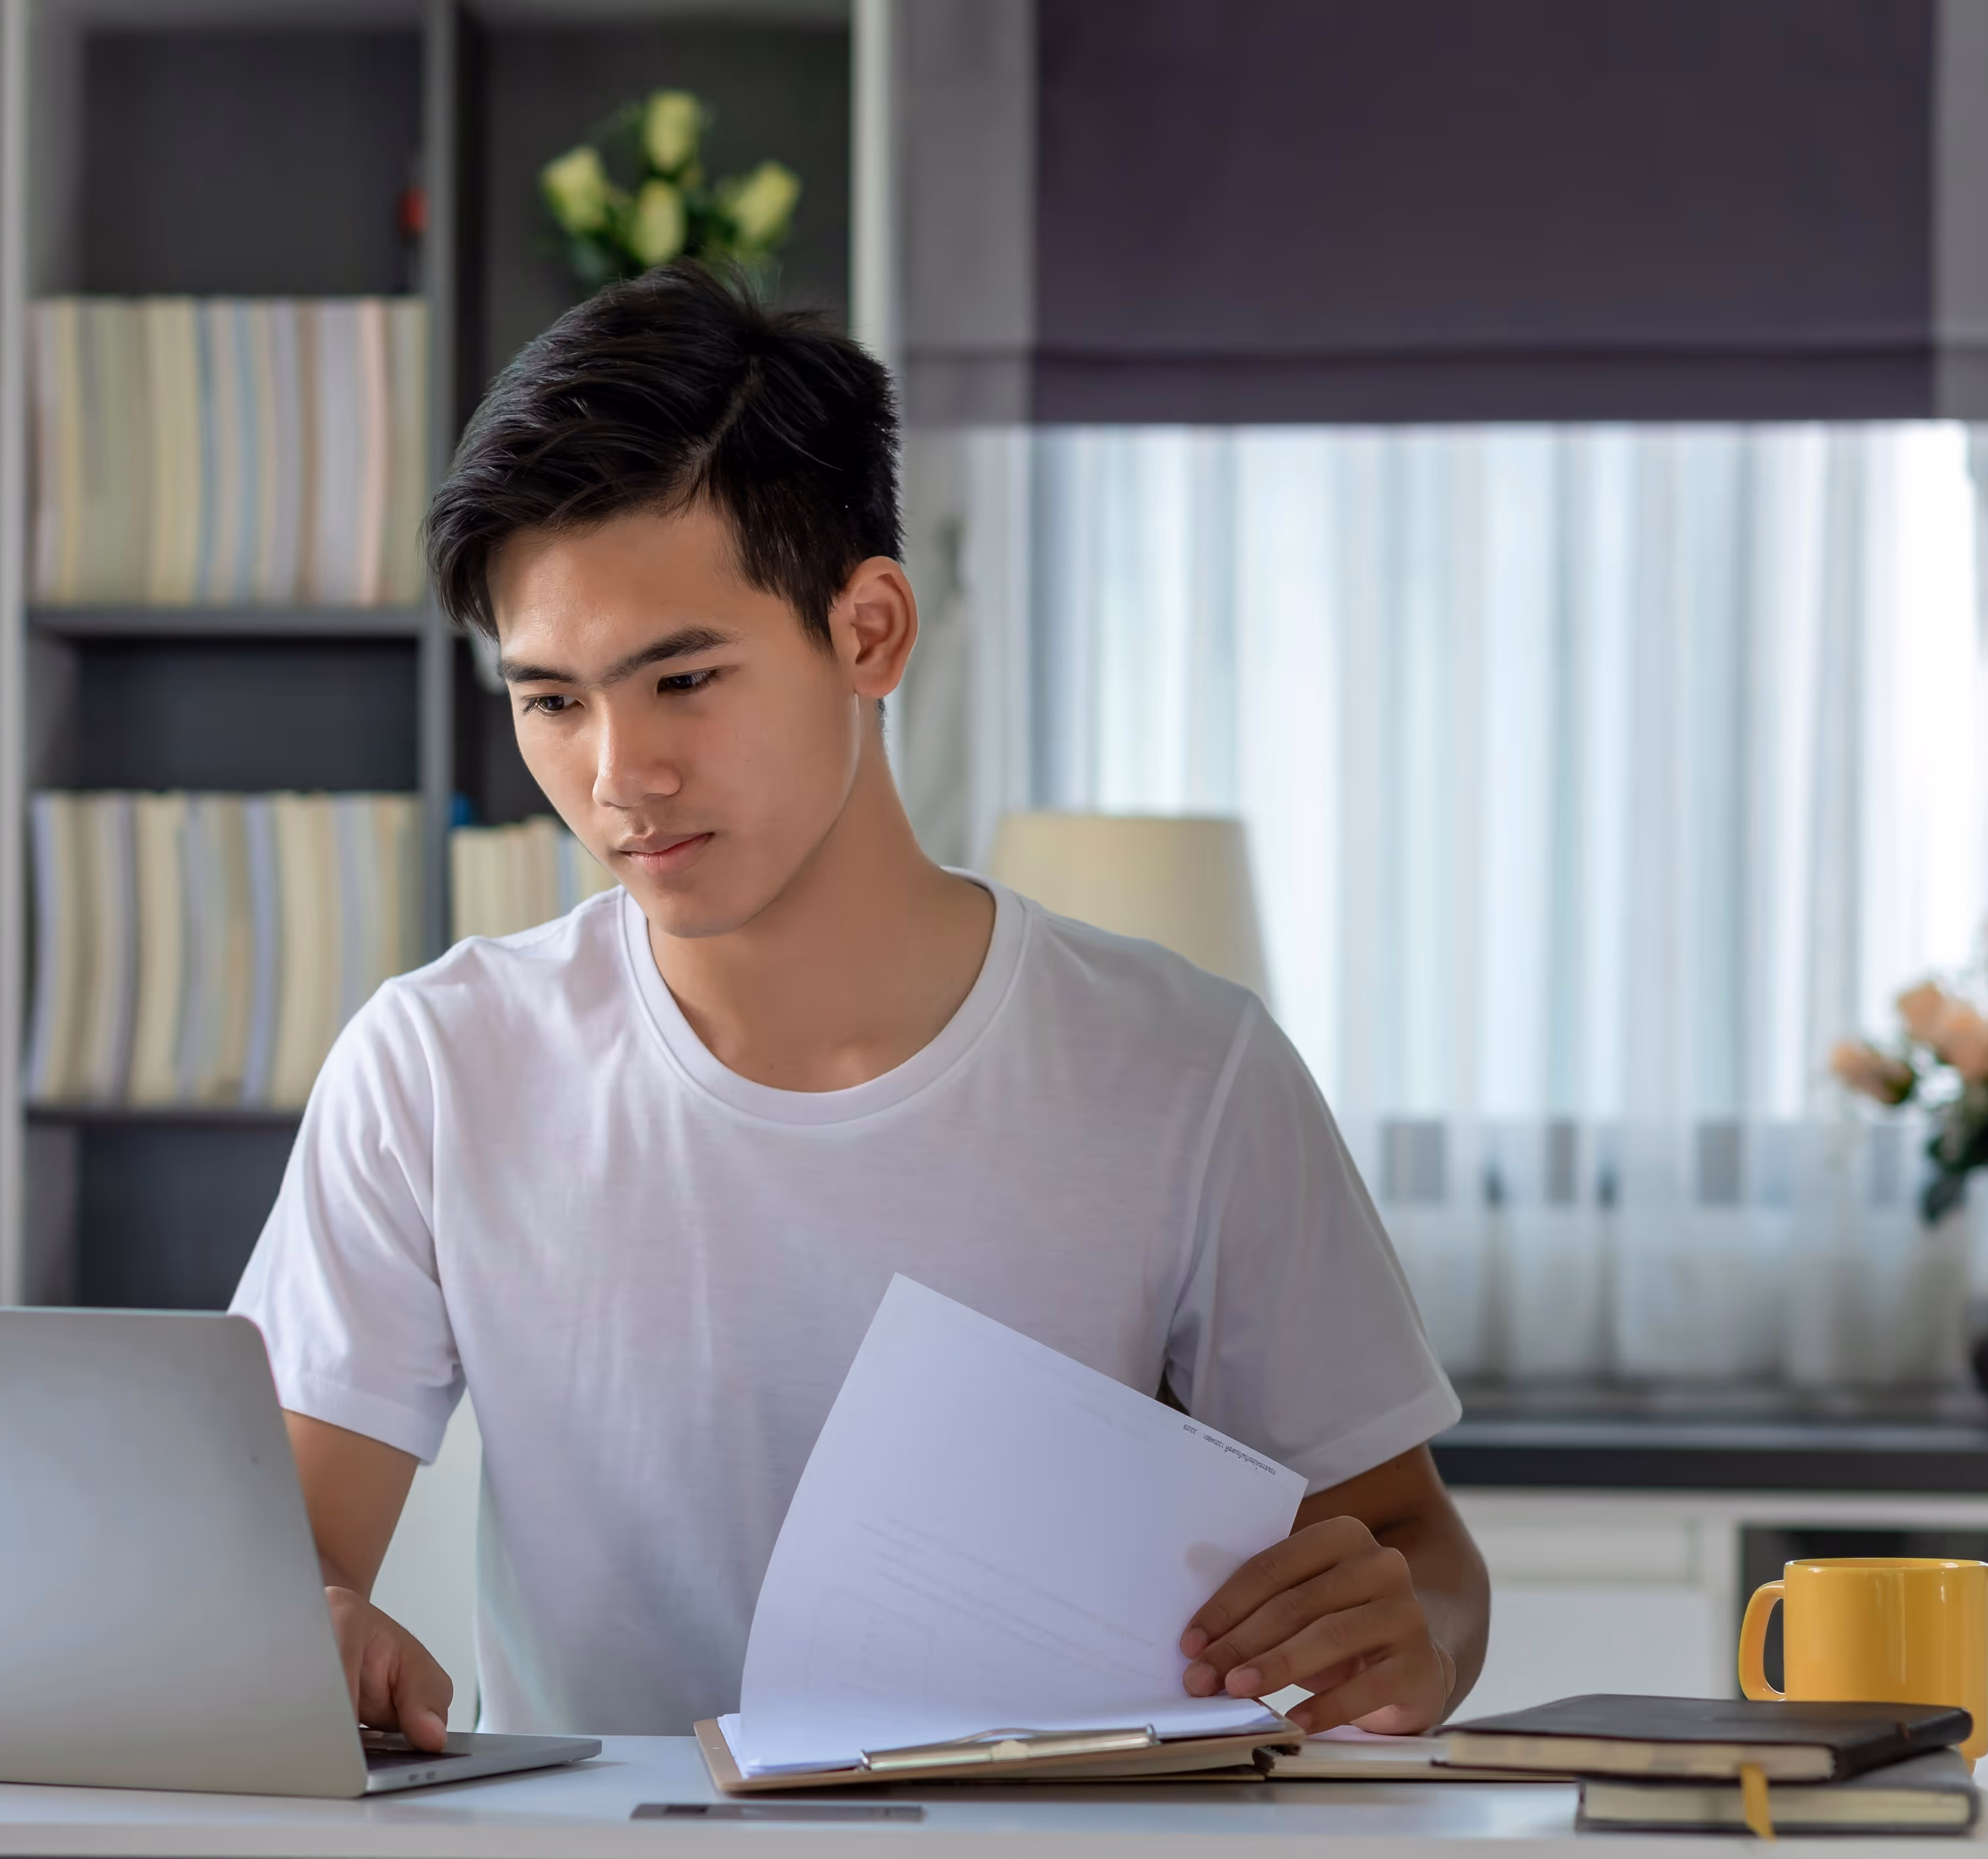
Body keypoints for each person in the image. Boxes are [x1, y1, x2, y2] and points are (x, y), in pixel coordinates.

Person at [230, 261, 1486, 1751]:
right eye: (552, 699)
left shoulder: (1185, 1072)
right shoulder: (439, 1065)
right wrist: (307, 1631)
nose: (620, 776)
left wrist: (1406, 1632)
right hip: (598, 1849)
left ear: (870, 630)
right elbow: (274, 1569)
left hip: (1046, 1841)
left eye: (684, 677)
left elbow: (1413, 1547)